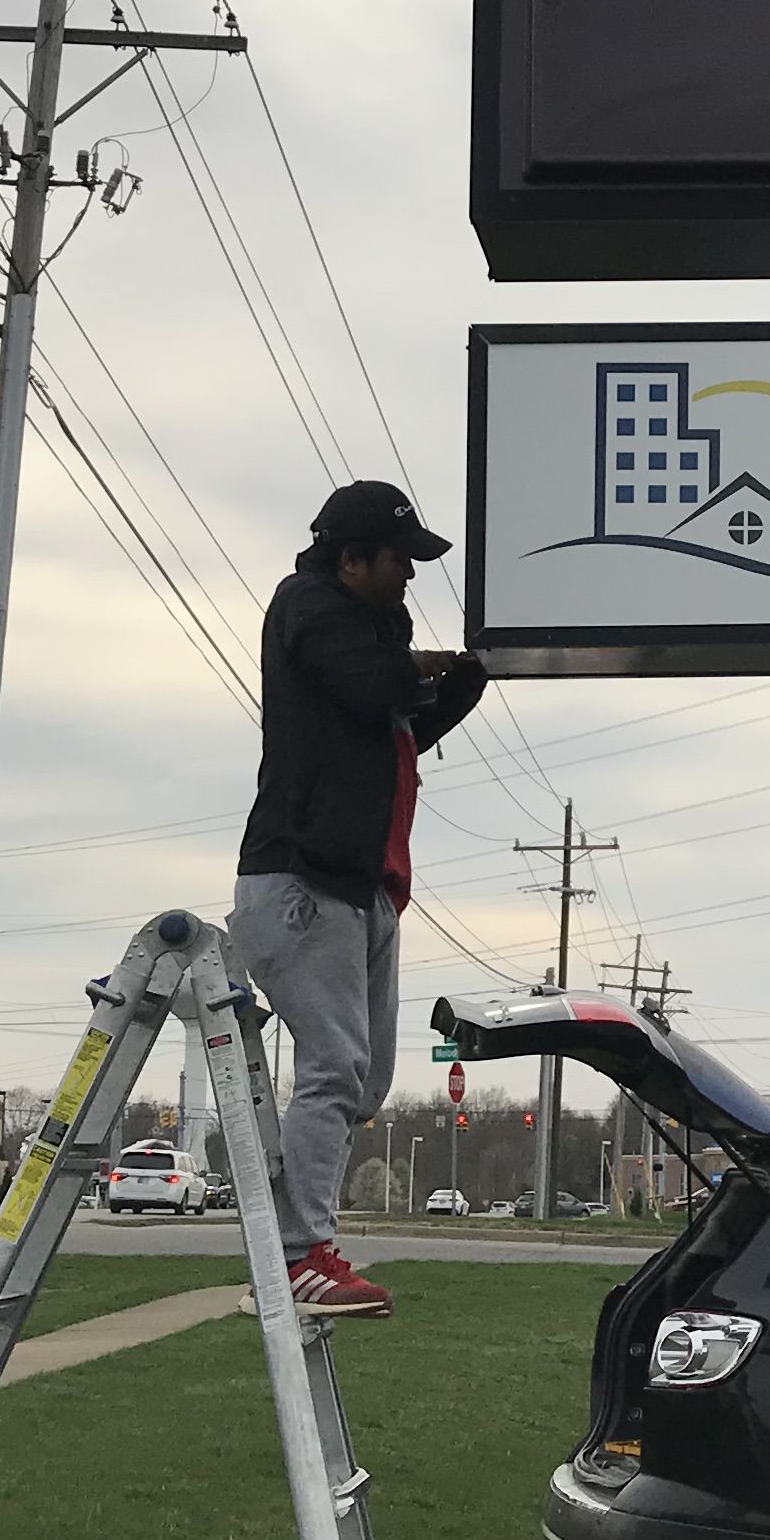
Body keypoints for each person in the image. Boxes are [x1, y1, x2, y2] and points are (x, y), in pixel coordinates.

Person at [235, 481, 485, 1319]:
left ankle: (299, 1236)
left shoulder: (368, 638)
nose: (411, 578)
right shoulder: (308, 609)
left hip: (362, 889)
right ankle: (303, 1253)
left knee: (366, 1079)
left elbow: (400, 724)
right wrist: (419, 670)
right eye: (400, 561)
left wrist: (466, 676)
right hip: (302, 882)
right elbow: (379, 690)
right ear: (351, 559)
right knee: (334, 1067)